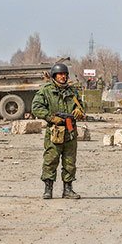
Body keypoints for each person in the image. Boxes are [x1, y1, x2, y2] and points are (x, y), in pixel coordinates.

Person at [32, 63, 85, 199]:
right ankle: (48, 189)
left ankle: (68, 190)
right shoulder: (46, 90)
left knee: (70, 162)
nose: (63, 77)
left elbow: (82, 105)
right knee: (50, 161)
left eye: (65, 74)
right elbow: (36, 107)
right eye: (60, 74)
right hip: (54, 132)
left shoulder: (72, 91)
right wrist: (51, 118)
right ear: (54, 75)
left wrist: (79, 110)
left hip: (70, 132)